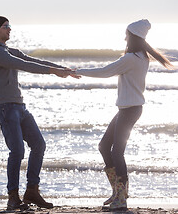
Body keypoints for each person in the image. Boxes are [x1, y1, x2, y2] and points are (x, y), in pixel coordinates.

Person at [75, 19, 175, 211]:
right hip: (128, 108)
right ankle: (118, 193)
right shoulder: (140, 57)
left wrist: (77, 71)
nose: (124, 38)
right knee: (105, 146)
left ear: (133, 36)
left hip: (130, 109)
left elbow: (105, 72)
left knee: (116, 151)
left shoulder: (131, 59)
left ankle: (121, 197)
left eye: (126, 34)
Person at [0, 16, 79, 210]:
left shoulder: (8, 50)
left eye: (10, 26)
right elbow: (24, 66)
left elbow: (30, 60)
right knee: (17, 151)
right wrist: (53, 72)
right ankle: (13, 196)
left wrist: (62, 69)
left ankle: (32, 191)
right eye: (6, 26)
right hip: (5, 107)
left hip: (19, 106)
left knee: (39, 145)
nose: (10, 29)